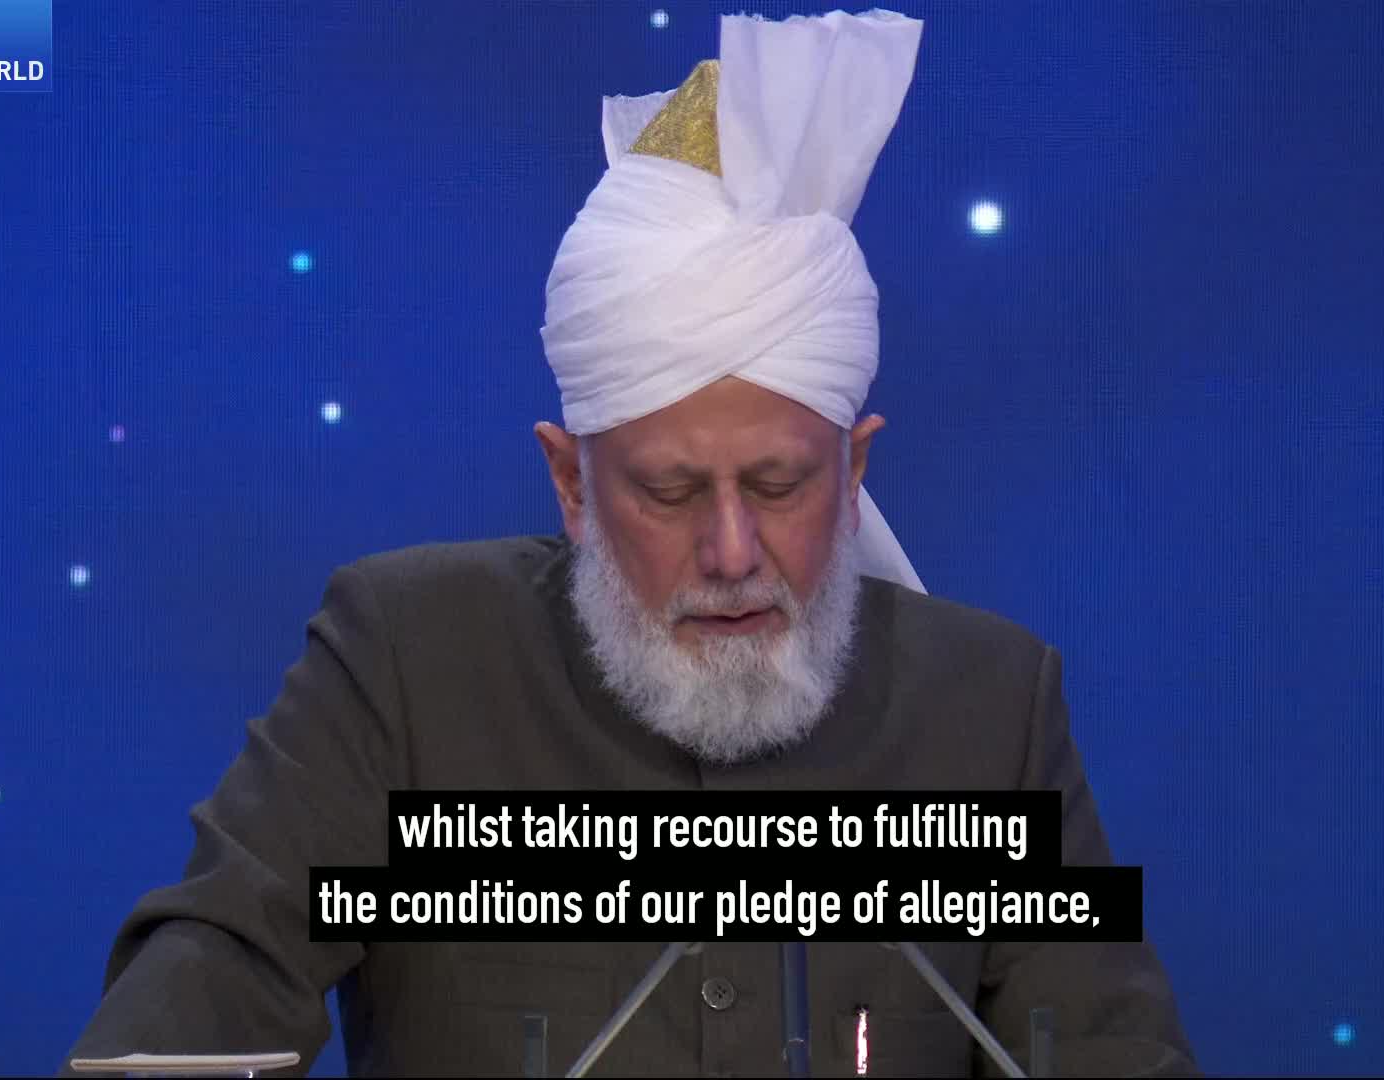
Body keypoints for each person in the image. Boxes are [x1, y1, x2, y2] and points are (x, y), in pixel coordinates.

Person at [64, 10, 1195, 1077]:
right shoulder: (405, 663)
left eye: (782, 483)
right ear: (570, 481)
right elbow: (206, 985)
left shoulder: (992, 709)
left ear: (854, 475)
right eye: (667, 492)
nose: (734, 551)